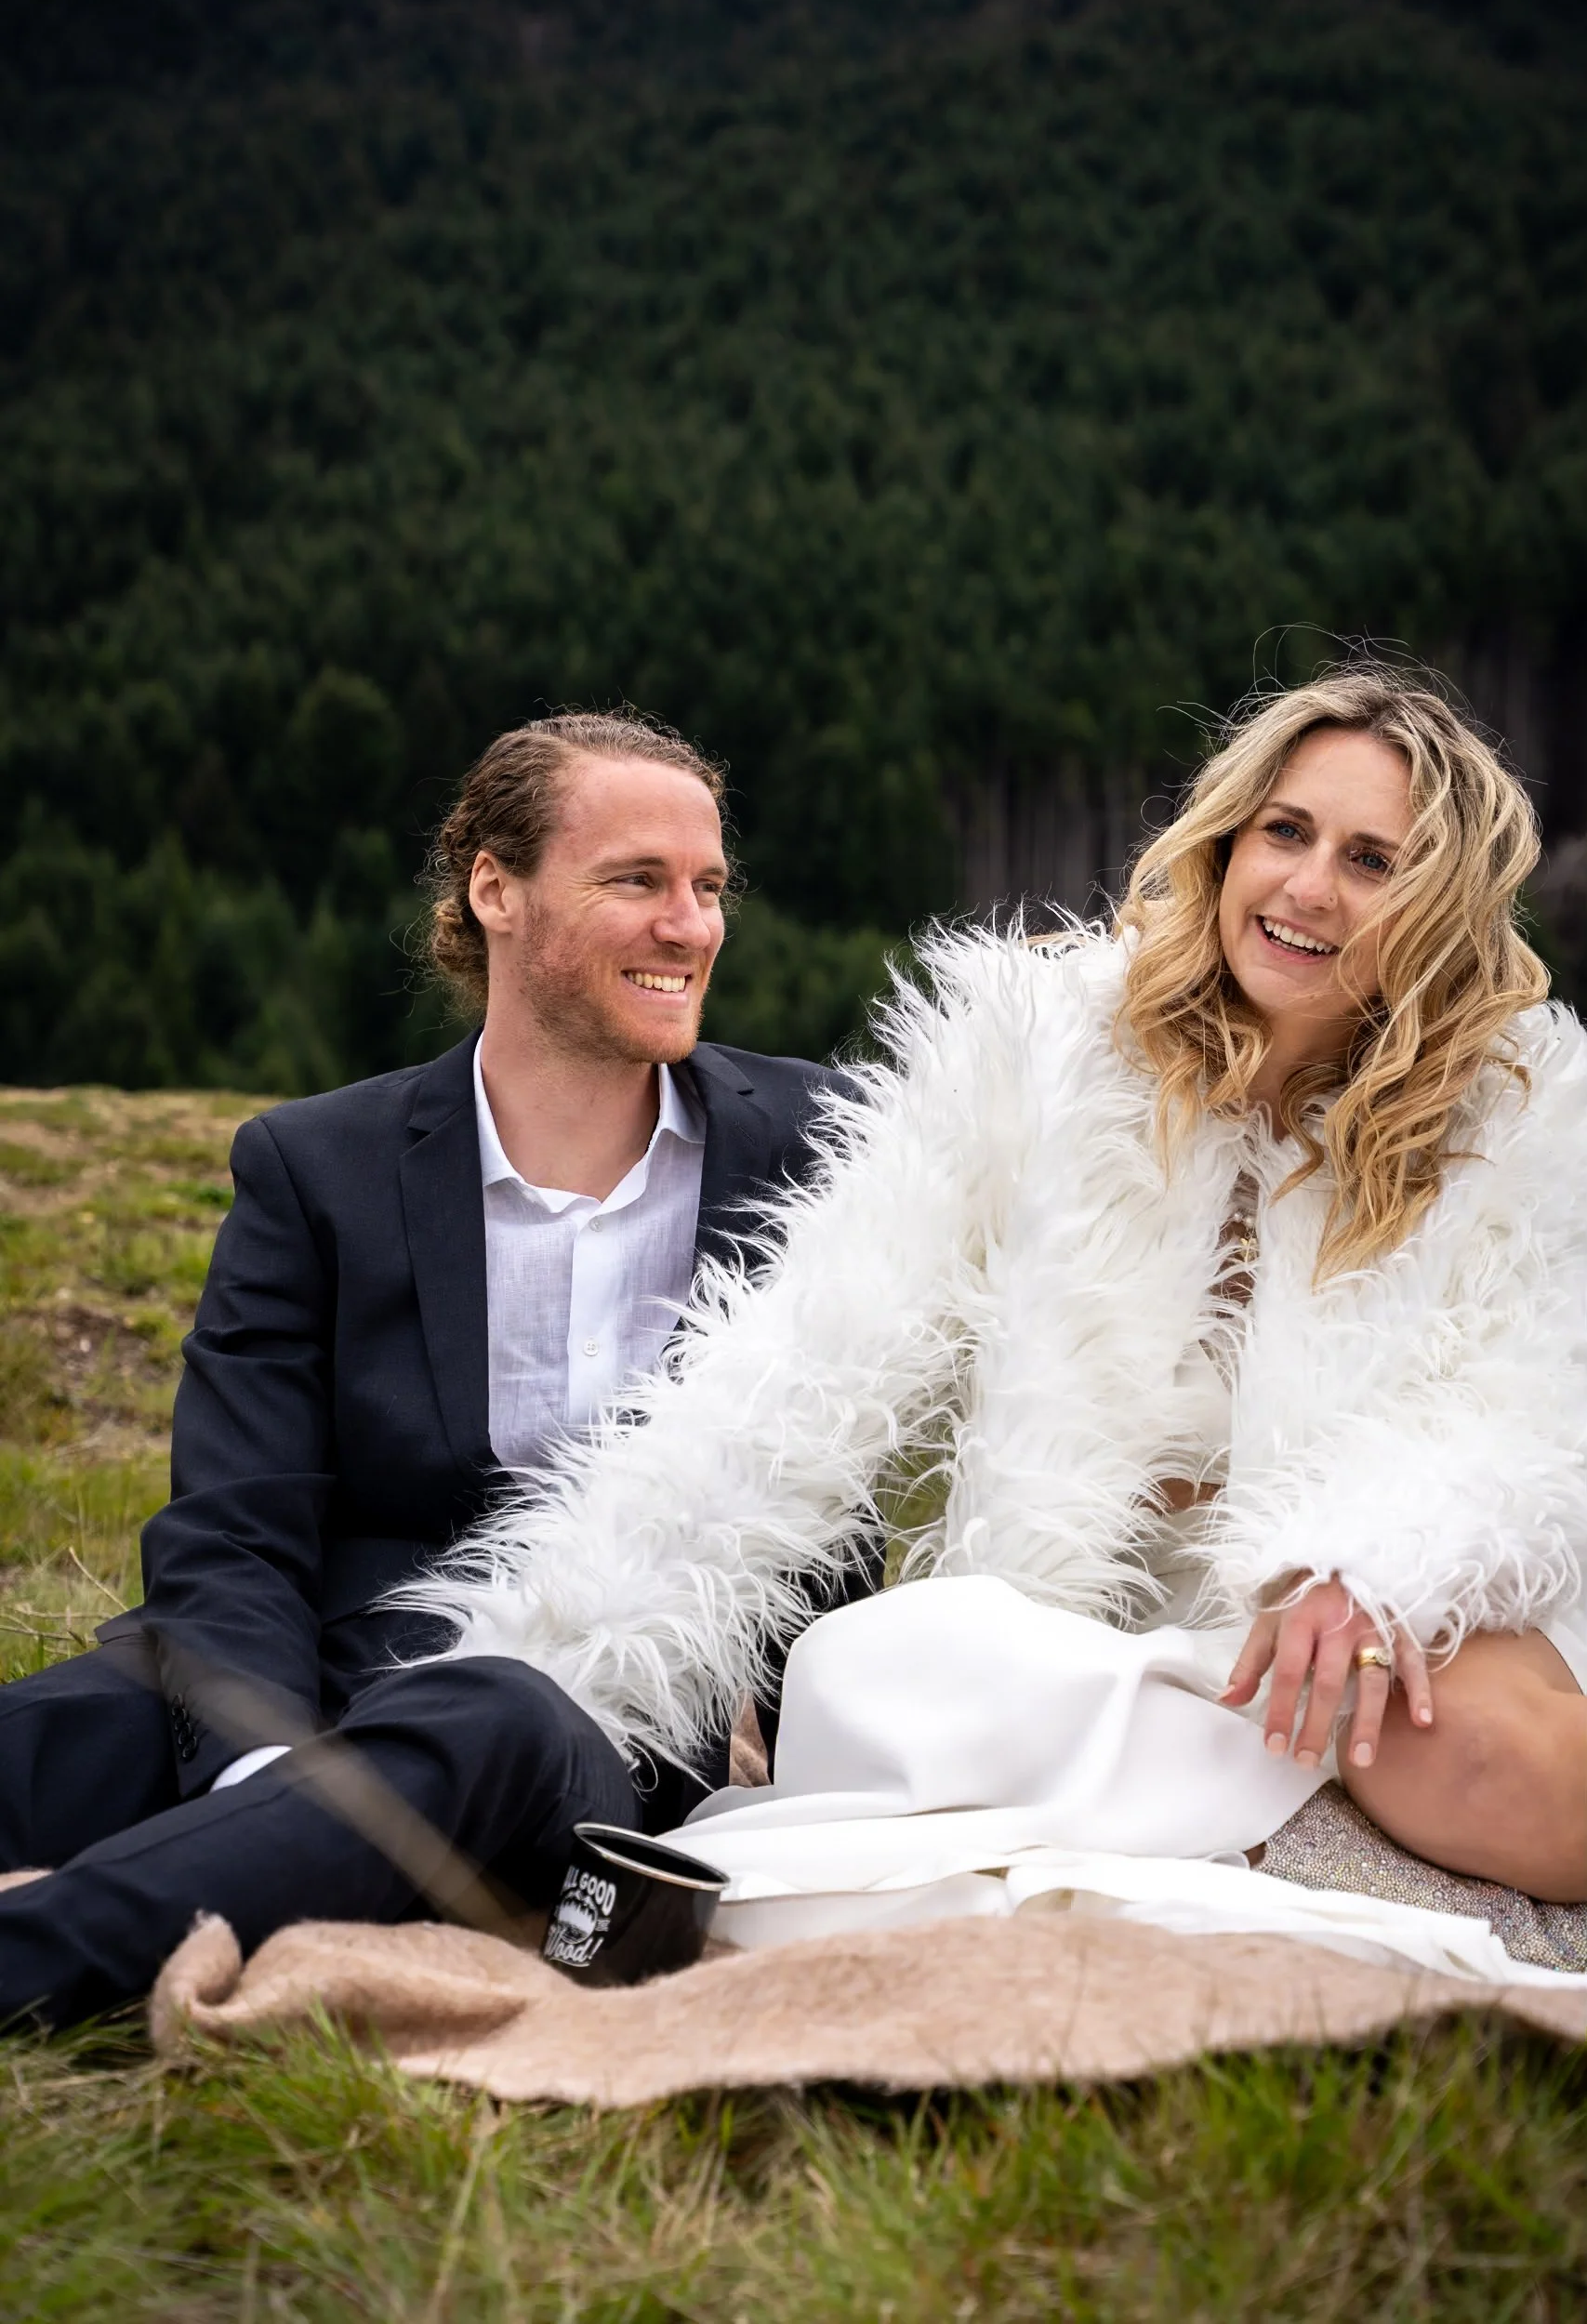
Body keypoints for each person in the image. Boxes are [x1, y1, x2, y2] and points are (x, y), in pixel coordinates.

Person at [405, 666, 1587, 1937]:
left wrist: (1373, 1562)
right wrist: (536, 1664)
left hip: (1343, 1649)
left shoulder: (1516, 1118)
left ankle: (1291, 1840)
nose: (1305, 888)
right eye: (1284, 832)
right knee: (883, 1662)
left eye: (1371, 861)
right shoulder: (1037, 1047)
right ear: (1226, 840)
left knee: (1442, 1720)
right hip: (1078, 1674)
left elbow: (1538, 1406)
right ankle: (1254, 1850)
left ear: (1439, 908)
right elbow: (793, 1382)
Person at [0, 710, 866, 2028]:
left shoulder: (815, 1146)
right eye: (636, 881)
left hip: (584, 1718)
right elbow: (234, 1526)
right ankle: (245, 1862)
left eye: (706, 889)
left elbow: (855, 1476)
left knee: (498, 1720)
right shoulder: (316, 1166)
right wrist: (267, 1775)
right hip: (315, 1666)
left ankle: (34, 1949)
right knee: (55, 1739)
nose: (689, 927)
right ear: (494, 889)